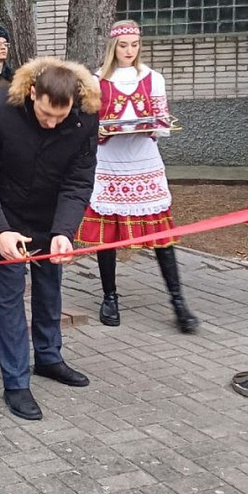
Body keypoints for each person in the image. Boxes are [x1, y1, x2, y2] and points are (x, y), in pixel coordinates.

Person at [0, 57, 100, 421]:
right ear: (32, 93)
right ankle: (15, 381)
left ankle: (49, 357)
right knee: (10, 295)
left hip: (51, 214)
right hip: (7, 215)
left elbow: (79, 179)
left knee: (50, 283)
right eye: (45, 114)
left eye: (60, 116)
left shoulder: (86, 116)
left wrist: (64, 231)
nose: (52, 123)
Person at [76, 20, 199, 333]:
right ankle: (109, 296)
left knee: (160, 233)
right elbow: (88, 126)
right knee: (107, 235)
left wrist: (152, 127)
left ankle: (178, 300)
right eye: (123, 45)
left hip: (144, 162)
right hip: (110, 163)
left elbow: (162, 122)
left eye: (134, 44)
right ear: (113, 47)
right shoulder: (96, 80)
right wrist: (103, 131)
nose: (129, 50)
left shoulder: (152, 78)